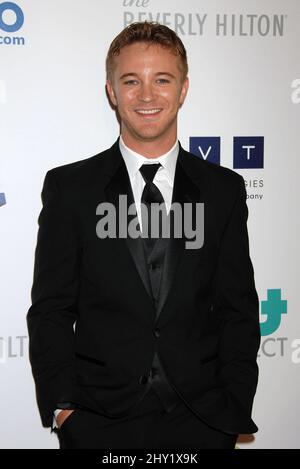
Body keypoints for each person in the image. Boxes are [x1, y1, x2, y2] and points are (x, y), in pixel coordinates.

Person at [27, 21, 260, 449]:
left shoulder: (223, 189)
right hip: (98, 421)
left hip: (203, 420)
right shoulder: (71, 188)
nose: (147, 95)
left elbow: (238, 307)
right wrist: (65, 409)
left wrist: (235, 401)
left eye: (162, 80)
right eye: (131, 81)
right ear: (112, 92)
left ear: (184, 88)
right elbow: (51, 309)